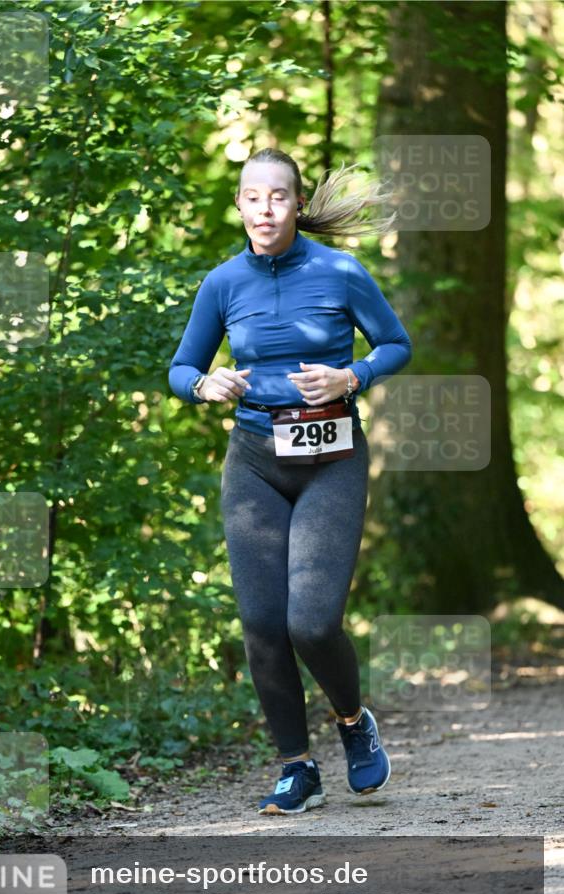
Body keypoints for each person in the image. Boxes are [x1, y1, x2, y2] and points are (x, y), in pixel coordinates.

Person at [168, 148, 412, 815]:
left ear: (296, 205)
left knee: (309, 621)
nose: (265, 208)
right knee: (260, 623)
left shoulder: (339, 271)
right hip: (253, 459)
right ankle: (295, 768)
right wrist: (203, 383)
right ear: (240, 205)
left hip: (332, 457)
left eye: (278, 197)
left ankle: (352, 721)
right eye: (252, 197)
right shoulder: (222, 283)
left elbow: (395, 344)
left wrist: (350, 376)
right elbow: (181, 367)